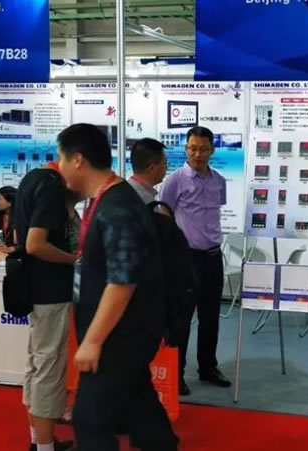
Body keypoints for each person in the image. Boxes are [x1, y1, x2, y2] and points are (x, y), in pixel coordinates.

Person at [58, 123, 177, 451]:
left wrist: (93, 341)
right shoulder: (106, 200)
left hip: (120, 337)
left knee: (89, 420)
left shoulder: (118, 208)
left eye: (62, 158)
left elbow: (122, 281)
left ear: (78, 159)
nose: (59, 166)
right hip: (124, 333)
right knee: (142, 411)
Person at [14, 160, 79, 451]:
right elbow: (34, 244)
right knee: (49, 368)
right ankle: (44, 446)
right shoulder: (52, 187)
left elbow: (23, 239)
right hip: (51, 289)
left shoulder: (32, 179)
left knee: (38, 363)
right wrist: (74, 259)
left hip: (36, 286)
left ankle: (38, 439)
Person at [160, 126, 230, 396]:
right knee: (182, 318)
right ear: (186, 148)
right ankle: (176, 372)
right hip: (186, 259)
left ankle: (208, 367)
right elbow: (164, 216)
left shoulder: (219, 181)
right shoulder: (175, 180)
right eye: (192, 148)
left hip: (213, 257)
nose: (197, 154)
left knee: (210, 316)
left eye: (203, 149)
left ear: (212, 150)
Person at [129, 138, 168, 204]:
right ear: (152, 168)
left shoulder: (126, 190)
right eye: (165, 163)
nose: (166, 167)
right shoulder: (144, 201)